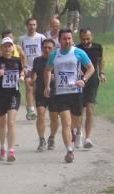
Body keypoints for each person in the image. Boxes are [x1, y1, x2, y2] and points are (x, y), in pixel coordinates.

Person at [44, 29, 94, 163]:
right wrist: (47, 85)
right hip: (61, 93)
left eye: (69, 38)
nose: (67, 41)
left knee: (76, 122)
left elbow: (91, 68)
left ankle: (76, 131)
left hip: (75, 92)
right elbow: (48, 70)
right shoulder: (54, 54)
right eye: (65, 39)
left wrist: (83, 80)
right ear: (59, 40)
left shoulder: (79, 52)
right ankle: (69, 151)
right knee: (66, 122)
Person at [0, 37, 25, 162]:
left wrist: (22, 76)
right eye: (5, 46)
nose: (7, 49)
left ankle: (11, 150)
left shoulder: (17, 61)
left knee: (11, 122)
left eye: (9, 46)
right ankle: (3, 147)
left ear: (13, 48)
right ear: (1, 49)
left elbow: (22, 70)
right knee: (2, 123)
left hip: (13, 94)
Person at [77, 28, 106, 148]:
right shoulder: (77, 49)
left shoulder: (98, 47)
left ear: (92, 36)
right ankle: (78, 134)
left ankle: (88, 138)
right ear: (80, 38)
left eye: (88, 38)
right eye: (83, 39)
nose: (85, 41)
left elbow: (101, 60)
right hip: (79, 82)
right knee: (78, 111)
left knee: (89, 109)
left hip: (93, 82)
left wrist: (102, 73)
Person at [30, 38, 60, 151]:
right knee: (41, 114)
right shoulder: (37, 60)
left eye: (49, 48)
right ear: (41, 48)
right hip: (40, 91)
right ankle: (41, 139)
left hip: (55, 91)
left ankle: (52, 137)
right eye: (45, 47)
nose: (47, 50)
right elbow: (33, 71)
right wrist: (32, 80)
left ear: (54, 49)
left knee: (54, 117)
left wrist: (55, 77)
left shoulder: (58, 60)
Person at [19, 18, 47, 120]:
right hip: (28, 67)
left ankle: (29, 105)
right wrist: (23, 67)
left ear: (36, 26)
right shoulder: (22, 39)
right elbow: (20, 54)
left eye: (34, 24)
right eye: (30, 24)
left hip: (39, 66)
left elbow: (46, 50)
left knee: (36, 89)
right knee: (29, 87)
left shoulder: (41, 37)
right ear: (27, 26)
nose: (32, 27)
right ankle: (31, 110)